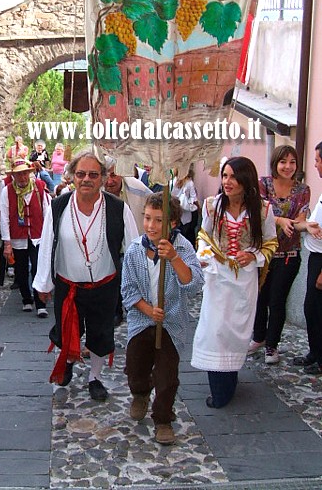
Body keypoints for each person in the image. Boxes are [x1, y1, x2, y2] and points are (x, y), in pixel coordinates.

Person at [33, 151, 138, 401]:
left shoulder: (118, 209)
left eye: (93, 174)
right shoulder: (58, 206)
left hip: (105, 284)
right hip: (69, 285)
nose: (86, 179)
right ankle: (68, 361)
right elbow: (48, 243)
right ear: (72, 176)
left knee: (100, 332)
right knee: (66, 329)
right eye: (81, 174)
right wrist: (43, 282)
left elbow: (133, 248)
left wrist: (135, 288)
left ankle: (95, 377)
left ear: (103, 177)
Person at [191, 156, 278, 408]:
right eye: (225, 176)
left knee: (235, 332)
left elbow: (271, 242)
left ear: (246, 180)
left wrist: (252, 254)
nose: (227, 182)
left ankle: (229, 379)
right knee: (214, 329)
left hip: (244, 279)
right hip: (218, 277)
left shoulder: (263, 210)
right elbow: (204, 237)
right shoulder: (211, 205)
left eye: (233, 177)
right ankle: (219, 391)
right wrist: (205, 256)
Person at [121, 193, 204, 445]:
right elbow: (128, 290)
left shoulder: (182, 248)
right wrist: (147, 309)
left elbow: (194, 285)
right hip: (141, 320)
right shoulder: (136, 250)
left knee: (167, 376)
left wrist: (174, 259)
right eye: (147, 218)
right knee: (136, 366)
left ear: (173, 223)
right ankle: (140, 392)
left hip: (171, 323)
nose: (151, 226)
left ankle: (163, 418)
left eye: (159, 220)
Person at [249, 145, 310, 364]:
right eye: (283, 162)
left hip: (289, 254)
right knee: (259, 297)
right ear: (275, 163)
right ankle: (258, 337)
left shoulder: (303, 190)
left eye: (292, 162)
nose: (287, 167)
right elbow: (258, 211)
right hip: (263, 252)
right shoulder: (263, 184)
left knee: (277, 300)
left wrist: (308, 227)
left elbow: (301, 220)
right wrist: (281, 220)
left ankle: (272, 346)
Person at [104, 155, 152, 326]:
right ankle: (115, 311)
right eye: (106, 175)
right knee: (111, 280)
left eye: (114, 175)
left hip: (134, 243)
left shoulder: (138, 189)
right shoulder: (98, 193)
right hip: (108, 246)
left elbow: (154, 206)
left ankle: (135, 310)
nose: (110, 181)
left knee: (133, 279)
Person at [0, 158, 51, 316]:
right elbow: (5, 217)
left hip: (37, 236)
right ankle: (27, 299)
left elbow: (47, 214)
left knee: (38, 268)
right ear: (14, 176)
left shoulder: (40, 187)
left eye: (25, 173)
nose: (22, 177)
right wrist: (7, 243)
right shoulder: (7, 191)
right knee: (21, 270)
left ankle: (40, 303)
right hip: (18, 238)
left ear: (29, 173)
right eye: (19, 174)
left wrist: (48, 237)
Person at [292, 141, 322, 374]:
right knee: (311, 308)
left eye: (318, 160)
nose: (315, 165)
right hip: (315, 254)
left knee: (315, 308)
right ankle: (315, 351)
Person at [170, 166, 200, 248]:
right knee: (187, 237)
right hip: (186, 216)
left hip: (175, 214)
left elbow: (169, 197)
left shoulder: (172, 182)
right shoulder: (189, 183)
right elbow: (194, 199)